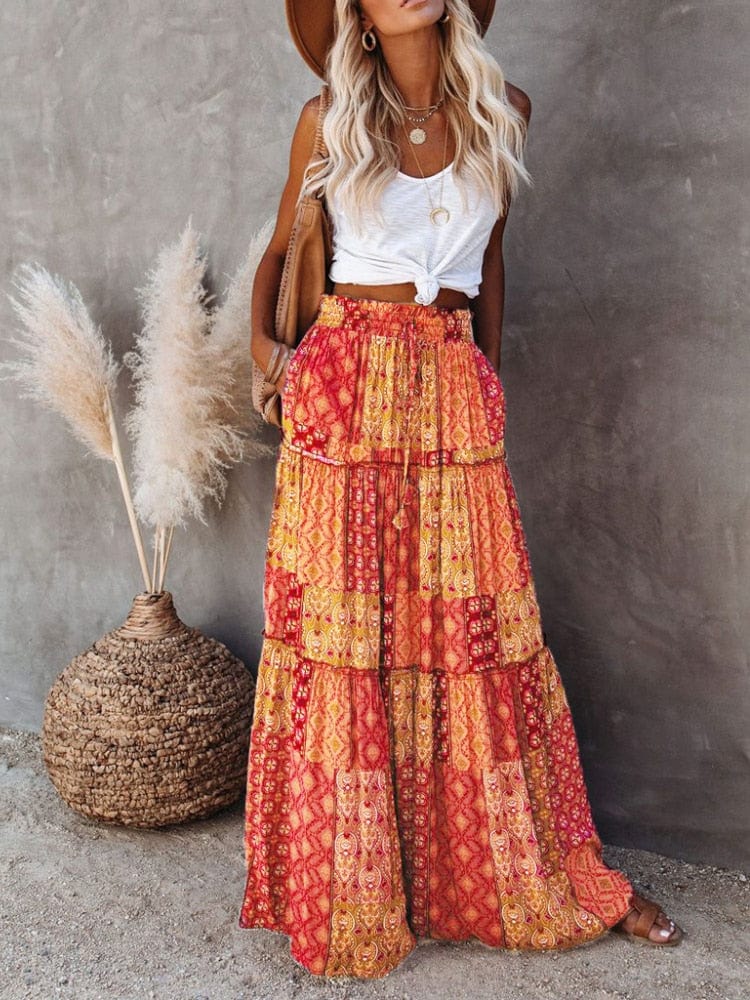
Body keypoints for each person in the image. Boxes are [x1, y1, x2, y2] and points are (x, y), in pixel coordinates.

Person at [239, 0, 684, 979]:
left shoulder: (504, 110)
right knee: (352, 648)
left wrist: (490, 383)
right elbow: (279, 253)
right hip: (345, 387)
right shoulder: (327, 120)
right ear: (355, 12)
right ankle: (353, 884)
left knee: (472, 641)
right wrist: (270, 360)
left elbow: (489, 261)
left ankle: (529, 874)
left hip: (450, 386)